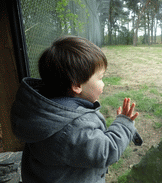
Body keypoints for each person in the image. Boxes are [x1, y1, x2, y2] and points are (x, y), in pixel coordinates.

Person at [11, 36, 141, 183]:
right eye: (100, 78)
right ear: (77, 85)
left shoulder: (43, 110)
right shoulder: (74, 128)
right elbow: (106, 151)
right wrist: (123, 124)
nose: (104, 84)